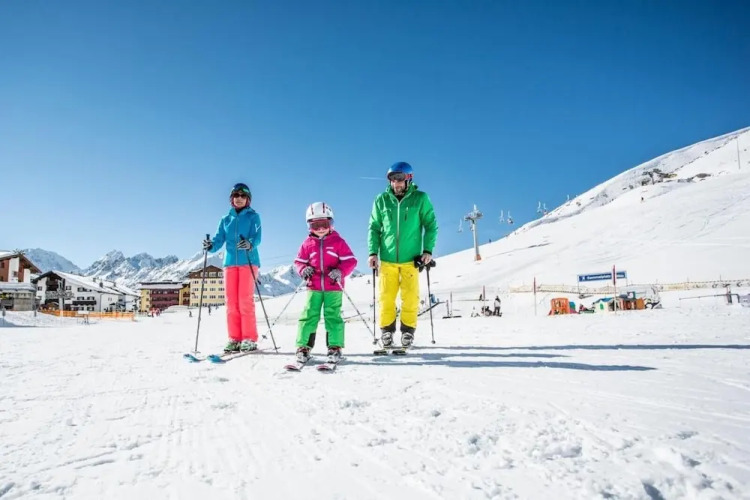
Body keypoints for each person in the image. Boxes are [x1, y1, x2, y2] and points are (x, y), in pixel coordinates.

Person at [367, 162, 438, 348]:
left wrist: (427, 250)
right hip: (387, 259)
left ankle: (408, 332)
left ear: (408, 179)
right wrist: (373, 253)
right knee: (385, 298)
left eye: (399, 179)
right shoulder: (381, 200)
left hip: (410, 260)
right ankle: (386, 332)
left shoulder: (420, 198)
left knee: (411, 297)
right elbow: (374, 228)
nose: (396, 183)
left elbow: (430, 225)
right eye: (392, 179)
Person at [294, 202, 357, 363]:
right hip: (313, 287)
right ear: (309, 226)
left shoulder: (338, 242)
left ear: (331, 223)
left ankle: (335, 347)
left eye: (325, 224)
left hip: (333, 287)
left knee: (333, 315)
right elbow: (299, 262)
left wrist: (340, 272)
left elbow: (350, 261)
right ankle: (303, 347)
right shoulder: (307, 244)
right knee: (309, 315)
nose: (321, 228)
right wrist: (303, 269)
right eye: (316, 225)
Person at [203, 182, 262, 353]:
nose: (239, 198)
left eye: (243, 196)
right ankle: (234, 338)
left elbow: (257, 236)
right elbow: (218, 239)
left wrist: (249, 243)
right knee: (231, 302)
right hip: (229, 264)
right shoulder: (225, 219)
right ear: (231, 198)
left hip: (248, 261)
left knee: (244, 300)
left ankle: (249, 338)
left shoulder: (253, 217)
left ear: (248, 199)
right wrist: (210, 245)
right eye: (236, 195)